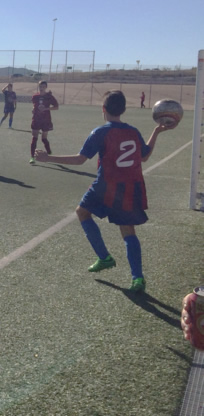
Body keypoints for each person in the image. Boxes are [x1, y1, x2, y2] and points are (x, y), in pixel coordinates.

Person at [34, 90, 172, 293]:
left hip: (106, 185)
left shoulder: (100, 132)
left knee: (82, 212)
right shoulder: (133, 131)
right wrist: (156, 132)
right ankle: (137, 278)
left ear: (103, 109)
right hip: (130, 186)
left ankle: (104, 257)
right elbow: (144, 156)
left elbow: (80, 159)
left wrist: (48, 158)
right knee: (128, 230)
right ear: (123, 110)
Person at [29, 80, 59, 164]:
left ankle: (49, 152)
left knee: (44, 138)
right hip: (36, 119)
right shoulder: (35, 97)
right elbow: (34, 105)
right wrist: (33, 109)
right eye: (40, 86)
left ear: (46, 87)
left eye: (43, 87)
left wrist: (46, 108)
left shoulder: (49, 97)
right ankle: (32, 157)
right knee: (34, 138)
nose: (41, 88)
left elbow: (56, 107)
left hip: (46, 120)